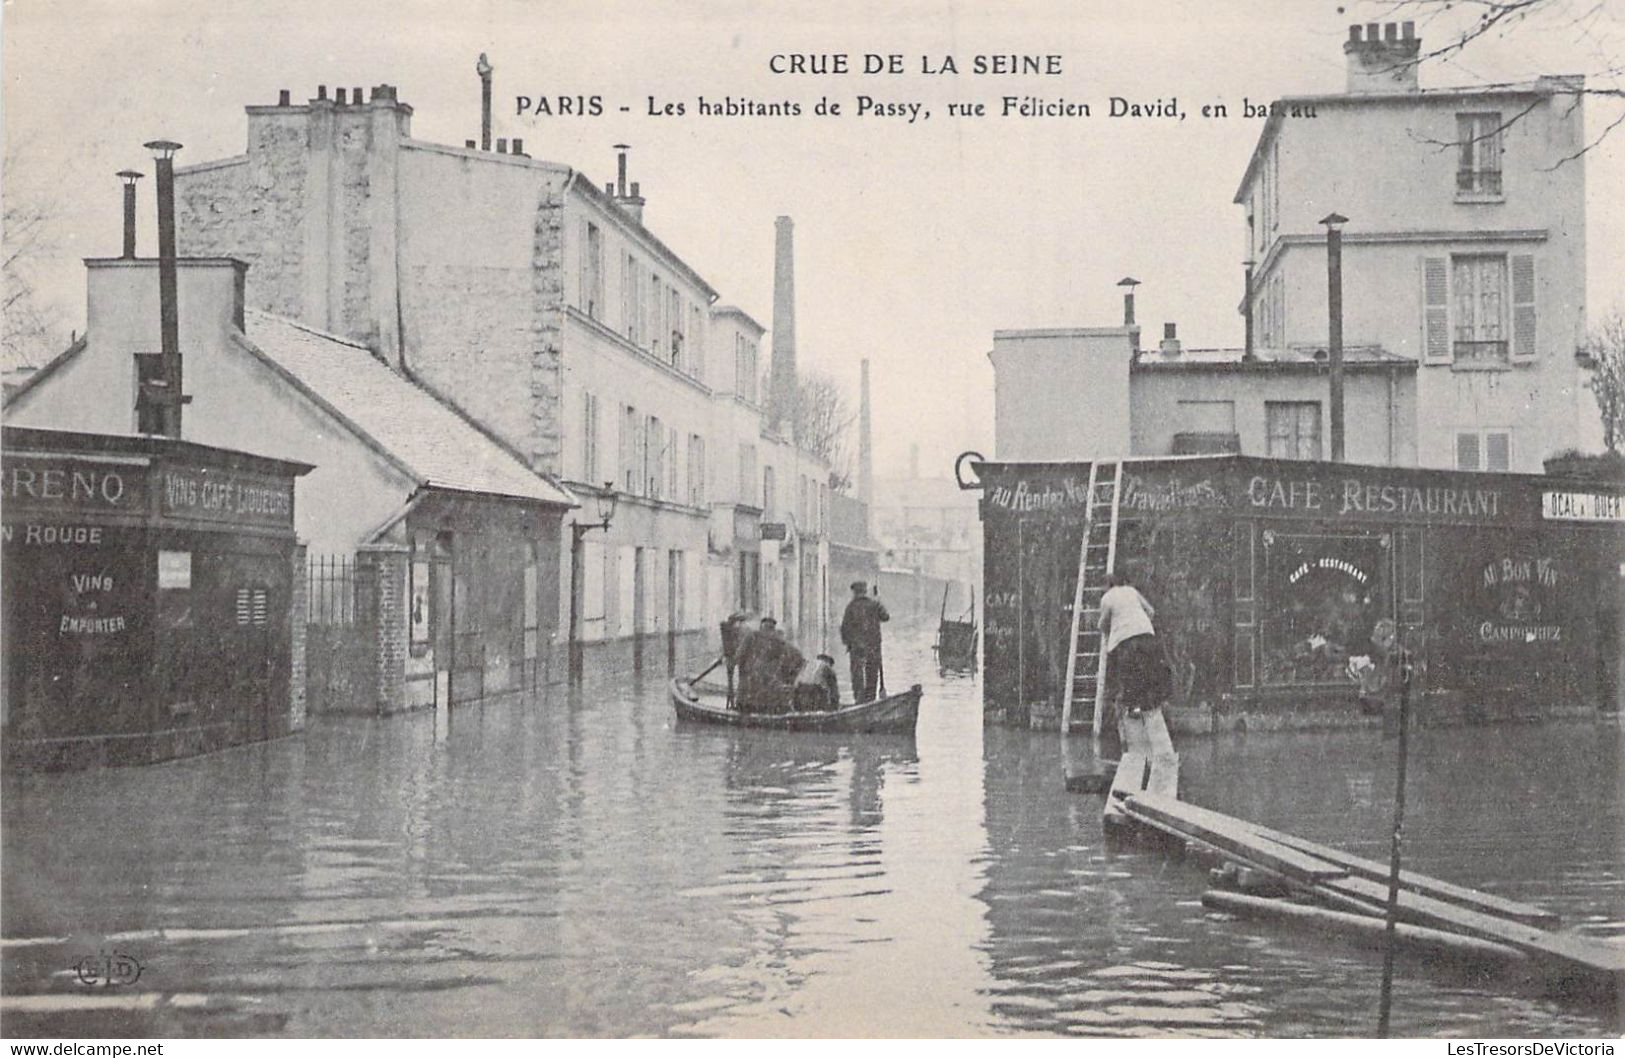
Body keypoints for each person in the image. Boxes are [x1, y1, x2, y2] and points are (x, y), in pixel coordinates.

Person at [1097, 569, 1174, 755]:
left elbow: (1102, 624)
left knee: (1129, 682)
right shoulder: (1132, 591)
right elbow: (1151, 611)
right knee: (1147, 679)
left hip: (1126, 643)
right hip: (1147, 638)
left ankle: (1134, 715)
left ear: (1108, 586)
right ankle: (1149, 710)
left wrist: (1115, 626)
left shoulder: (1107, 598)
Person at [840, 581, 890, 703]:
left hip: (857, 649)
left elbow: (844, 629)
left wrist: (849, 644)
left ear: (854, 592)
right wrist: (879, 602)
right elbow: (886, 617)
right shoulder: (874, 605)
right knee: (872, 676)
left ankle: (860, 701)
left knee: (858, 678)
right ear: (865, 591)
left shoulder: (850, 607)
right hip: (874, 649)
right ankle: (870, 701)